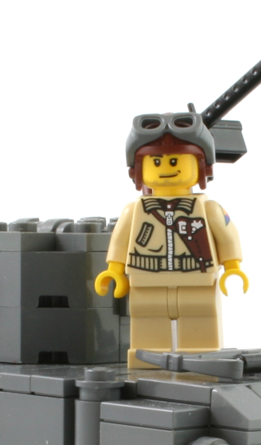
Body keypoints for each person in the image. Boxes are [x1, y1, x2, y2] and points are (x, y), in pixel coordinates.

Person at [95, 112, 247, 368]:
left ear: (201, 166)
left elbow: (227, 235)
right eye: (155, 162)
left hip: (196, 277)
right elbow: (120, 241)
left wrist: (233, 267)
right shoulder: (134, 210)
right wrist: (114, 270)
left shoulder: (209, 209)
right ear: (138, 169)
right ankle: (148, 364)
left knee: (200, 318)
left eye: (175, 160)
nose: (166, 168)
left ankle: (201, 362)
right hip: (145, 277)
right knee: (147, 320)